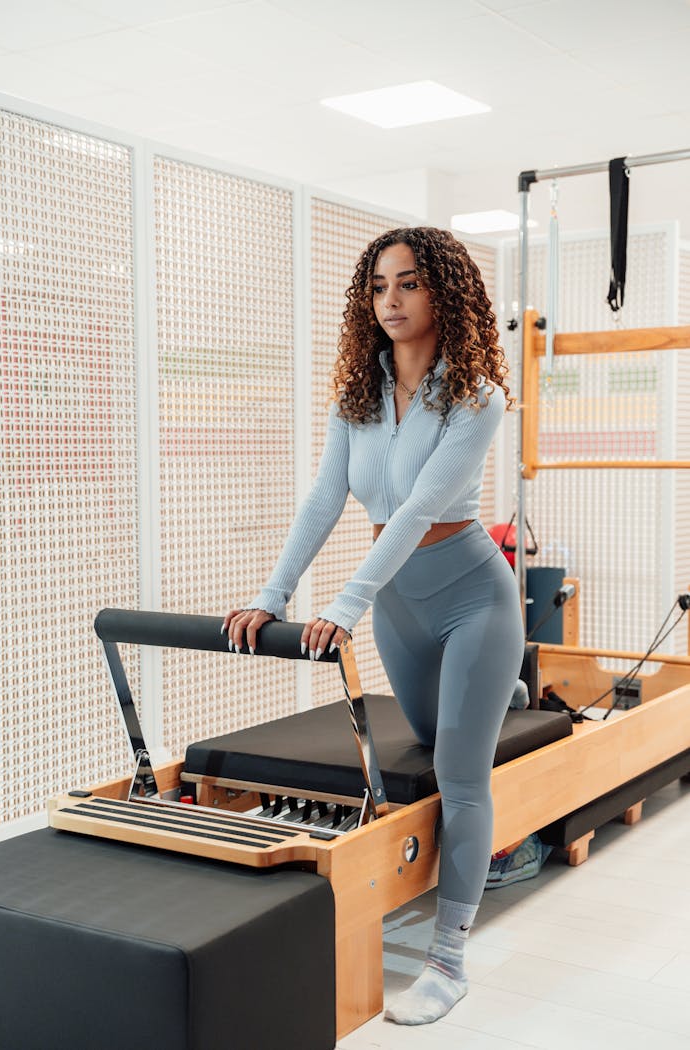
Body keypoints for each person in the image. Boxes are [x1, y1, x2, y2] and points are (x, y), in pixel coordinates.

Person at [224, 226, 524, 1026]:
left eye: (410, 285)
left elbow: (423, 506)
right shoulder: (357, 395)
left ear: (444, 294)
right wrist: (273, 595)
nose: (390, 301)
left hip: (471, 596)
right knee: (428, 731)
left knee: (461, 774)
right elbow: (327, 499)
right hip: (402, 605)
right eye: (380, 286)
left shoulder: (477, 397)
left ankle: (449, 960)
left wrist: (343, 606)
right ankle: (506, 688)